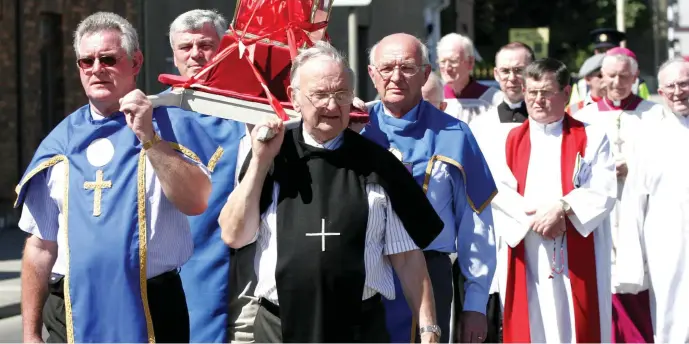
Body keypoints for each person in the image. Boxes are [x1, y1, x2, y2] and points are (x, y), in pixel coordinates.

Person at [17, 12, 223, 343]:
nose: (96, 69)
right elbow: (40, 246)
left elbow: (196, 201)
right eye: (86, 61)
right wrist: (30, 333)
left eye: (108, 58)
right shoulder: (59, 144)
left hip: (153, 307)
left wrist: (150, 140)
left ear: (135, 61)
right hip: (71, 308)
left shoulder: (169, 125)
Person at [218, 41, 443, 343]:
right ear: (294, 99)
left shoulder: (379, 163)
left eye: (341, 94)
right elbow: (234, 235)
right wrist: (260, 162)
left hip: (359, 329)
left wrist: (429, 327)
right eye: (321, 95)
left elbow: (406, 257)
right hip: (280, 327)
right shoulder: (271, 155)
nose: (333, 105)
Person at [362, 33, 497, 344]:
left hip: (428, 272)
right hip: (362, 273)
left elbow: (476, 226)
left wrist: (476, 303)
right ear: (372, 74)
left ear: (425, 74)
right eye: (386, 68)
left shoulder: (455, 134)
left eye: (407, 68)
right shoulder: (353, 126)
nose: (396, 77)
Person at [493, 58, 616, 342]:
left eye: (546, 92)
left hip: (577, 246)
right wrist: (538, 219)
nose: (538, 100)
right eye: (532, 92)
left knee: (578, 324)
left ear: (566, 93)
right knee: (532, 323)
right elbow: (499, 191)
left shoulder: (592, 136)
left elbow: (604, 188)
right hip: (529, 247)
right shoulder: (508, 139)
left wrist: (563, 209)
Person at [167, 9, 252, 343]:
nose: (195, 55)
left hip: (240, 268)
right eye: (185, 47)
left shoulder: (251, 111)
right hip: (170, 264)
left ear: (225, 50)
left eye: (205, 45)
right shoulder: (153, 115)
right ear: (173, 55)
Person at [573, 47, 664, 343]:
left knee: (642, 276)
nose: (616, 83)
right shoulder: (584, 117)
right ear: (600, 77)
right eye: (610, 76)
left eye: (624, 76)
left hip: (641, 208)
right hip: (603, 212)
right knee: (605, 278)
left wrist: (633, 167)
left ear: (635, 77)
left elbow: (663, 160)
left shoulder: (654, 113)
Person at [615, 58, 689, 343]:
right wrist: (632, 262)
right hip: (666, 246)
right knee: (671, 319)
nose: (677, 91)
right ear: (660, 90)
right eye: (670, 86)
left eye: (684, 83)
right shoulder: (648, 135)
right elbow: (634, 200)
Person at [469, 41, 535, 343]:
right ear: (495, 74)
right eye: (506, 71)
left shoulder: (547, 122)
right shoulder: (481, 125)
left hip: (537, 228)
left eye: (519, 70)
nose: (512, 78)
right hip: (495, 229)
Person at [436, 33, 503, 124]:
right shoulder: (434, 97)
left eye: (453, 61)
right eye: (443, 62)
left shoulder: (494, 99)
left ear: (470, 62)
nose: (447, 68)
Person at [571, 28, 649, 104]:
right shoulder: (581, 85)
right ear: (595, 52)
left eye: (610, 50)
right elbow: (573, 110)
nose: (605, 54)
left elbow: (645, 108)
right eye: (601, 51)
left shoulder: (637, 83)